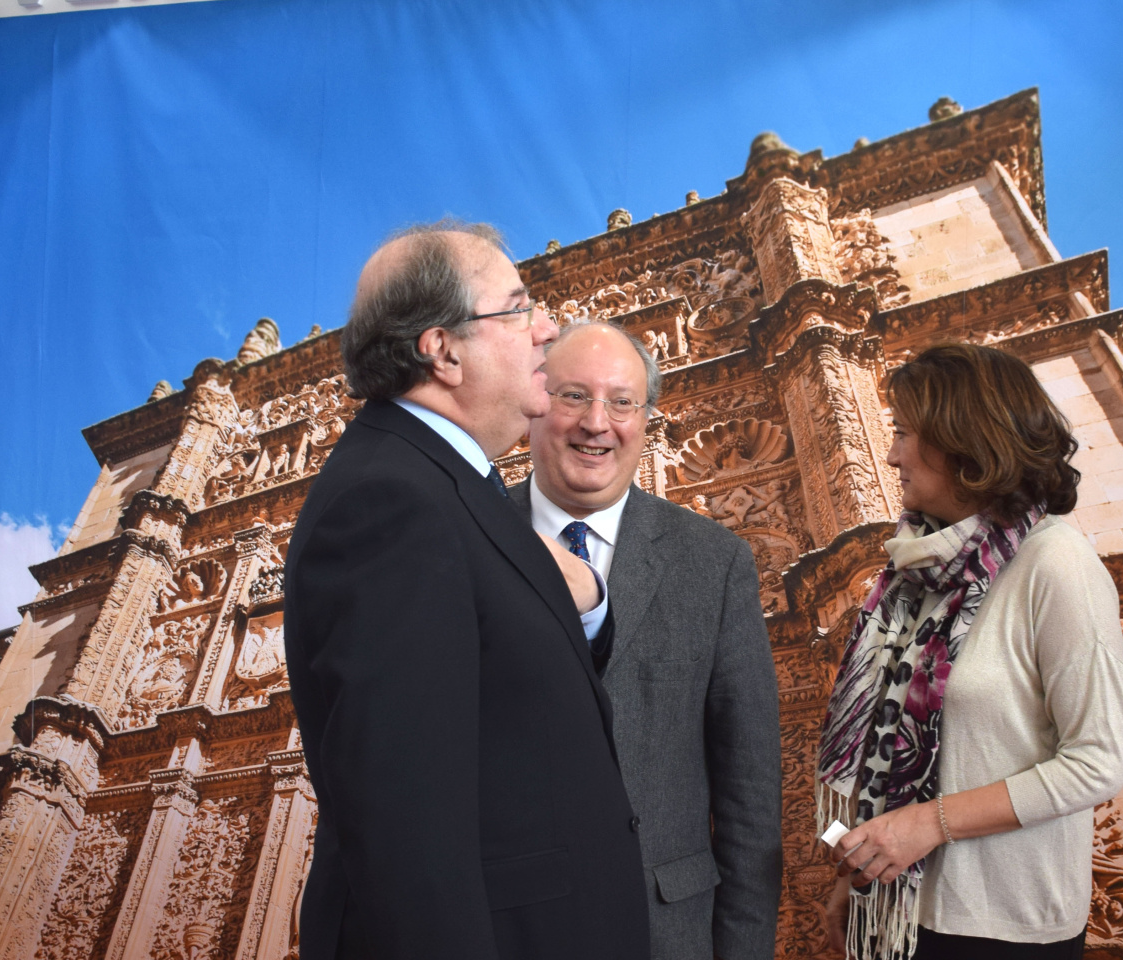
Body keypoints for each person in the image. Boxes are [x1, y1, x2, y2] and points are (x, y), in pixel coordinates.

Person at [283, 222, 650, 960]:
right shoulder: (389, 499)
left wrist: (583, 592)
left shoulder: (452, 486)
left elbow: (515, 687)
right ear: (442, 350)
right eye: (517, 308)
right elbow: (404, 827)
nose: (549, 327)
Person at [817, 343, 1123, 960]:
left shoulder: (1054, 563)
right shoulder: (909, 579)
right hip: (894, 915)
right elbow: (885, 741)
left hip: (1000, 928)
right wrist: (851, 877)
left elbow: (1098, 759)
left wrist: (925, 824)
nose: (892, 454)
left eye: (905, 433)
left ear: (963, 439)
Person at [511, 322, 782, 960]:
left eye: (622, 402)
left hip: (666, 933)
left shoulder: (713, 562)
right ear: (533, 403)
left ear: (647, 419)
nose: (596, 423)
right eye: (573, 396)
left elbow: (749, 795)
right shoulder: (462, 540)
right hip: (501, 929)